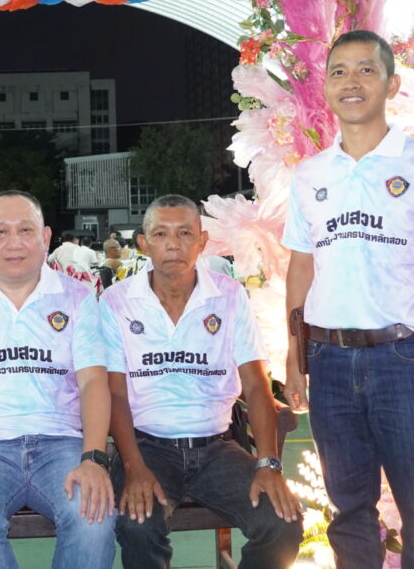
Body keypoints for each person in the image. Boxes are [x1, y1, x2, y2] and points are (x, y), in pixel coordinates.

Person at [282, 30, 414, 569]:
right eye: (338, 71)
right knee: (348, 515)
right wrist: (295, 357)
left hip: (406, 359)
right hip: (328, 362)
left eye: (366, 69)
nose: (352, 82)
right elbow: (301, 268)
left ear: (391, 83)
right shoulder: (310, 175)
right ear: (326, 87)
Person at [102, 195, 302, 569]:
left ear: (202, 241)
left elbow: (256, 385)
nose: (173, 244)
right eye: (160, 234)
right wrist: (133, 466)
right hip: (147, 447)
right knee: (139, 525)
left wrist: (269, 464)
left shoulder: (229, 295)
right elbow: (114, 391)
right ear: (143, 243)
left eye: (185, 233)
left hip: (217, 448)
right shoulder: (117, 301)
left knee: (282, 522)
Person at [0, 190, 116, 569]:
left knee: (93, 516)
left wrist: (93, 458)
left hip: (61, 443)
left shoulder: (77, 297)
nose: (14, 243)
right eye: (1, 232)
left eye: (25, 230)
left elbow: (94, 382)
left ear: (45, 237)